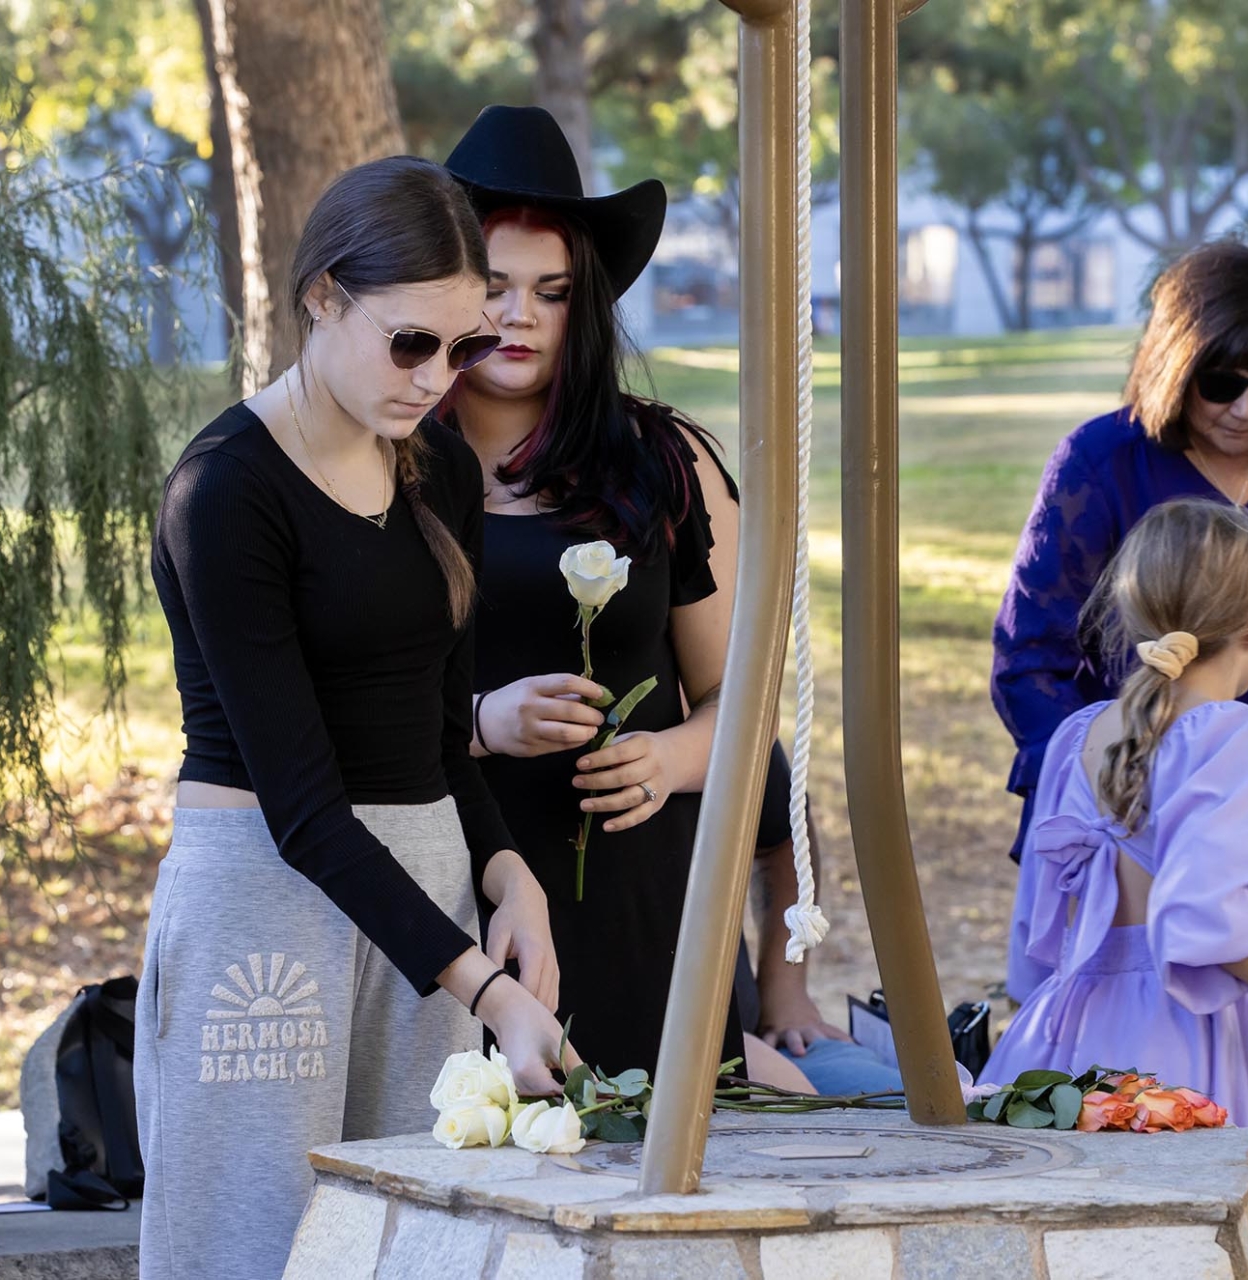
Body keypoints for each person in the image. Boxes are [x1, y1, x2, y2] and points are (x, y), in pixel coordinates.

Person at [142, 156, 576, 1278]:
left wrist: (506, 871)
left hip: (422, 887)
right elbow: (302, 808)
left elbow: (437, 734)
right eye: (410, 342)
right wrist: (482, 984)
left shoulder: (435, 463)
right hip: (264, 893)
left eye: (463, 344)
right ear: (321, 298)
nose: (440, 376)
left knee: (409, 1241)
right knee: (256, 1242)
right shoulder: (225, 490)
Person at [990, 241, 1248, 1183]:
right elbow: (1030, 658)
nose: (1245, 410)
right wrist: (1126, 796)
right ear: (1177, 361)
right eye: (1222, 381)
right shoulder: (1103, 460)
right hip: (1125, 889)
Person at [439, 105, 811, 1088]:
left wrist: (673, 755)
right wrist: (481, 721)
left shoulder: (666, 460)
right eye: (492, 286)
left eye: (550, 291)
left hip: (640, 883)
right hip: (448, 877)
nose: (518, 317)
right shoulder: (383, 468)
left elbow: (743, 691)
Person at [985, 498, 1248, 1280]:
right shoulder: (1233, 733)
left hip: (1063, 1045)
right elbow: (1205, 918)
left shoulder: (1077, 737)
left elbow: (1038, 940)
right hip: (1184, 1056)